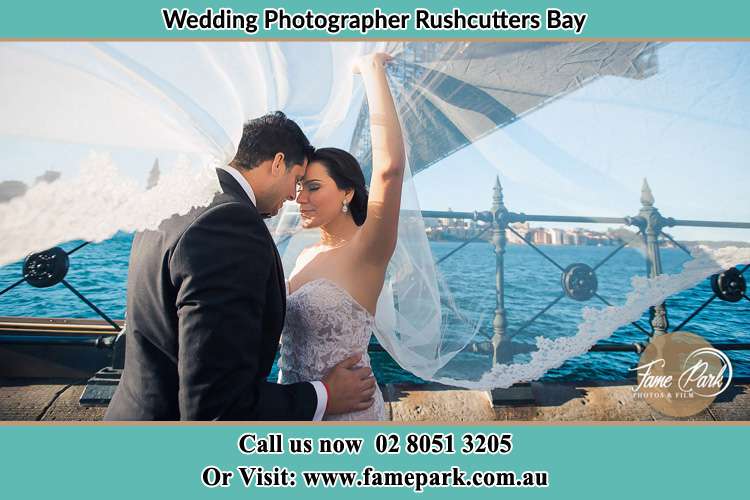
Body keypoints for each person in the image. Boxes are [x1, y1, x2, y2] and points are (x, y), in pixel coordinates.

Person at [104, 111, 376, 420]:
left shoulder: (175, 202)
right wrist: (324, 395)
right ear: (277, 163)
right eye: (296, 180)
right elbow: (219, 405)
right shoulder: (228, 222)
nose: (292, 196)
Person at [278, 52, 405, 421]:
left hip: (348, 416)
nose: (300, 197)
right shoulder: (305, 255)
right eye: (299, 186)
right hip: (300, 408)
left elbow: (390, 170)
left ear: (348, 192)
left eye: (314, 187)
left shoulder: (368, 249)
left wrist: (372, 69)